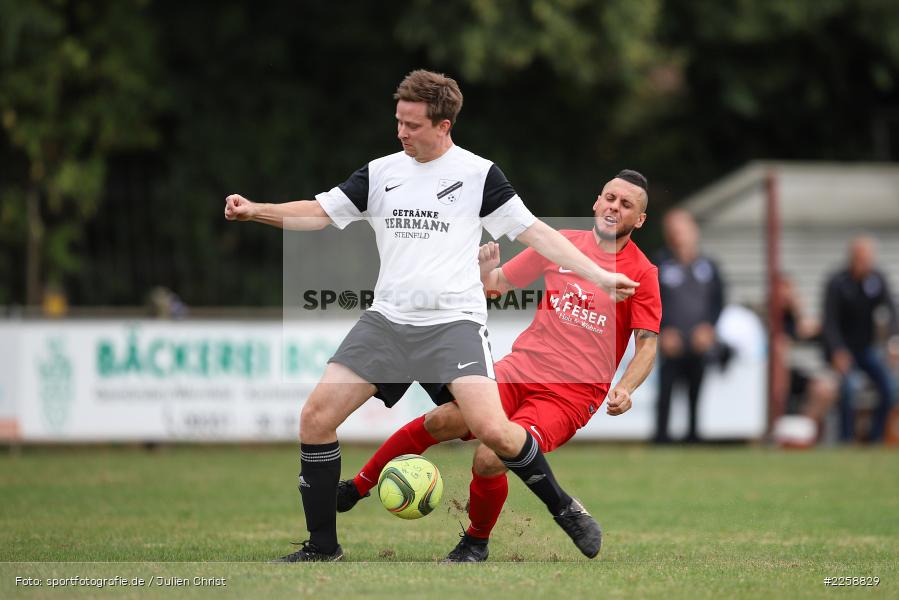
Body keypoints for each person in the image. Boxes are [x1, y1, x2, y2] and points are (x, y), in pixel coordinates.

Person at [224, 70, 638, 561]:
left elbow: (534, 233)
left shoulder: (478, 174)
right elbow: (319, 212)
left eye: (413, 125)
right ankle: (322, 547)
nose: (401, 133)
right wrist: (257, 210)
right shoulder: (381, 172)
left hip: (453, 326)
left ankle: (565, 508)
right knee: (316, 418)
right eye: (398, 121)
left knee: (494, 433)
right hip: (387, 324)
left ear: (443, 126)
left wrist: (598, 274)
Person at [336, 170, 661, 562]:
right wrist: (485, 270)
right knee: (443, 420)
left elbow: (647, 344)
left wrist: (626, 387)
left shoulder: (643, 273)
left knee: (490, 457)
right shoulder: (559, 246)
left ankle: (476, 542)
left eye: (626, 205)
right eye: (610, 198)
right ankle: (358, 485)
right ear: (597, 201)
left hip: (572, 393)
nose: (615, 208)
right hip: (518, 369)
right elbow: (496, 286)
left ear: (639, 220)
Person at [654, 209, 726, 444]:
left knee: (696, 389)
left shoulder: (709, 266)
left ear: (693, 231)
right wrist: (662, 329)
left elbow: (718, 301)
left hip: (698, 340)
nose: (677, 235)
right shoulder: (660, 264)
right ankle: (661, 437)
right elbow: (650, 300)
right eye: (672, 230)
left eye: (681, 229)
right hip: (670, 340)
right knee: (665, 390)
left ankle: (694, 435)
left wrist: (709, 327)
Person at [823, 236, 898, 443]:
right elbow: (830, 322)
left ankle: (875, 438)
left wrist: (893, 343)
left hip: (866, 350)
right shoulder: (837, 282)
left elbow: (891, 311)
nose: (865, 263)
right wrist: (837, 350)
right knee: (849, 388)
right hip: (843, 351)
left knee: (889, 386)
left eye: (868, 258)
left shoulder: (877, 280)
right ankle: (846, 439)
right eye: (861, 258)